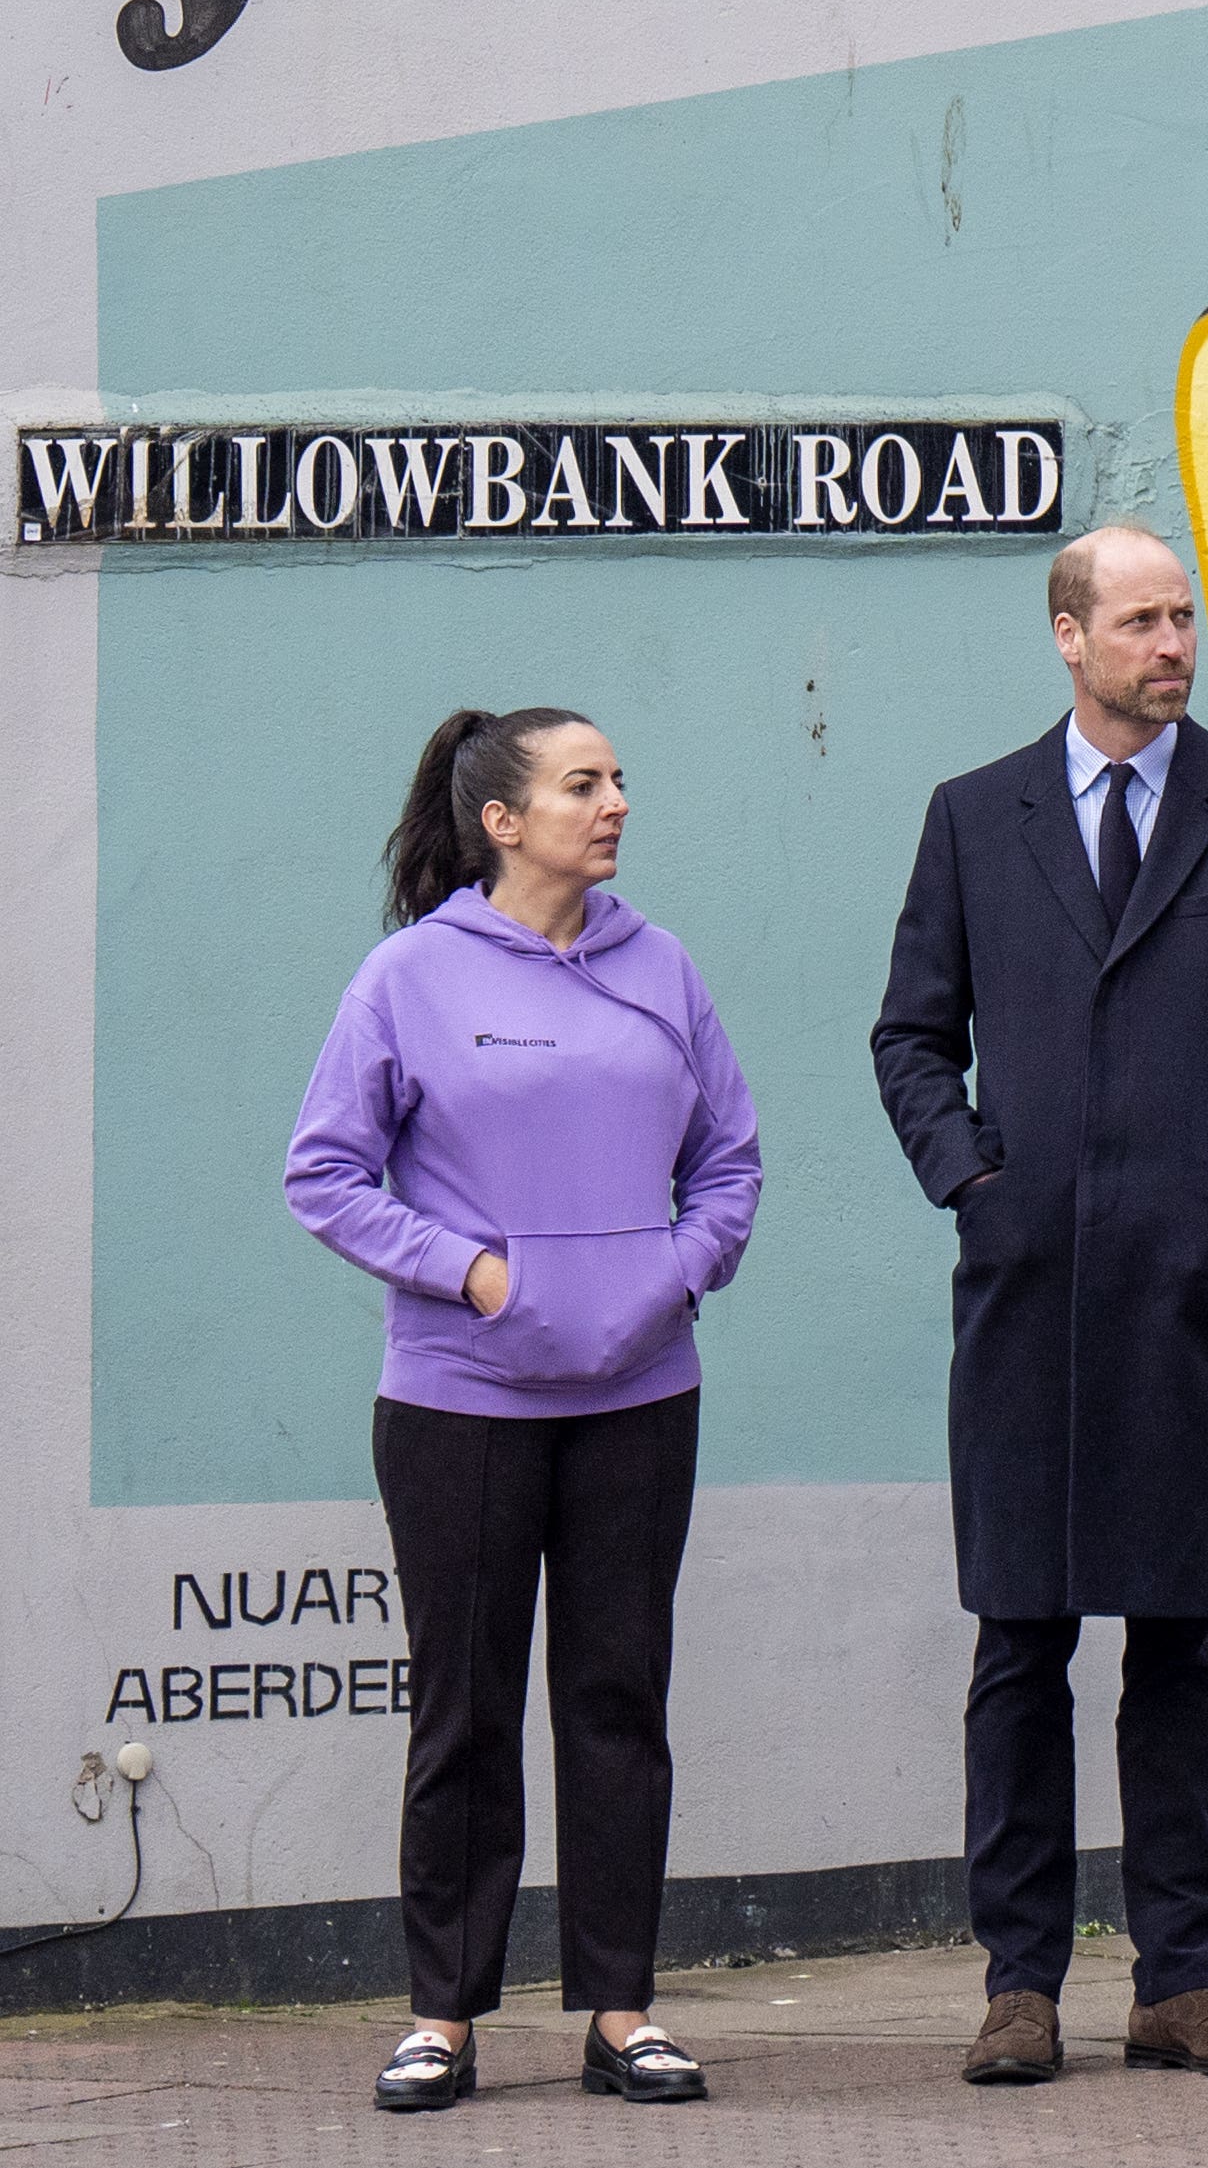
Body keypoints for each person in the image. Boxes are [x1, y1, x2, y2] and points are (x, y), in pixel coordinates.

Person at [871, 523, 1208, 2086]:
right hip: (1023, 1293)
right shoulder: (975, 817)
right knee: (1017, 1642)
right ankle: (1019, 1981)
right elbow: (909, 1035)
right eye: (1145, 620)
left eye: (1185, 617)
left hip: (1187, 1294)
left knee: (1178, 1640)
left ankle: (1179, 1977)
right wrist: (976, 1183)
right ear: (1068, 635)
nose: (1176, 643)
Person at [288, 707, 764, 2114]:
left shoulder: (659, 964)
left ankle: (622, 2009)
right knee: (465, 1709)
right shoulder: (409, 976)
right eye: (582, 782)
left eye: (617, 777)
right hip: (460, 1403)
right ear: (502, 818)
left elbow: (730, 1163)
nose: (615, 800)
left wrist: (674, 1274)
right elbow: (325, 1172)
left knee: (618, 1702)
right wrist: (476, 1271)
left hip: (640, 1397)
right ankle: (443, 2014)